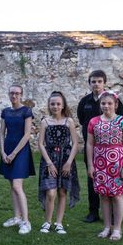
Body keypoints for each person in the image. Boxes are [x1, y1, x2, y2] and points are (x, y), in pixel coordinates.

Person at [77, 70, 123, 223]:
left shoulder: (114, 101)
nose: (96, 84)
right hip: (92, 149)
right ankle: (93, 212)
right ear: (89, 83)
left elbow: (122, 123)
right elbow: (81, 120)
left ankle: (112, 214)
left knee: (113, 180)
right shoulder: (84, 102)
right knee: (93, 178)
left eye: (99, 81)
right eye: (93, 81)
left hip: (113, 151)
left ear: (104, 83)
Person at [86, 91, 123, 241]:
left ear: (116, 105)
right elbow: (89, 144)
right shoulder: (93, 122)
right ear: (100, 105)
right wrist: (91, 165)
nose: (106, 106)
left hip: (117, 163)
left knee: (117, 195)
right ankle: (106, 227)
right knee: (104, 195)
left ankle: (117, 229)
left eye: (109, 103)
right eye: (103, 103)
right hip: (100, 163)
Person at [37, 91, 80, 234]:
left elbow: (75, 144)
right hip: (49, 160)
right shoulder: (45, 122)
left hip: (65, 160)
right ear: (49, 106)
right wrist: (49, 162)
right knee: (50, 192)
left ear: (63, 106)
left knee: (62, 191)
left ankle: (59, 223)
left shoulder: (69, 121)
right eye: (52, 104)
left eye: (58, 104)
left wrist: (69, 162)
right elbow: (41, 144)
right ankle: (47, 222)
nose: (55, 106)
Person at [0, 85, 35, 235]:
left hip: (20, 151)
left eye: (17, 93)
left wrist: (13, 153)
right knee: (11, 185)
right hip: (7, 149)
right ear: (9, 94)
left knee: (17, 185)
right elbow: (1, 133)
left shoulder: (26, 111)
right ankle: (16, 217)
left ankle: (26, 221)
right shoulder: (5, 111)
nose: (14, 96)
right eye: (12, 93)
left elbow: (27, 135)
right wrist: (2, 151)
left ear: (21, 95)